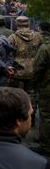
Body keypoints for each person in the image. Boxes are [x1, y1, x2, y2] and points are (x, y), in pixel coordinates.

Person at [8, 16, 43, 122]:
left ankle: (17, 117)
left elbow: (9, 54)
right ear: (29, 24)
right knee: (31, 94)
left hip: (17, 69)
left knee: (16, 94)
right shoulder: (38, 36)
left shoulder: (12, 37)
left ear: (17, 24)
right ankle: (30, 117)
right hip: (33, 68)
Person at [33, 22, 50, 156]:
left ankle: (45, 145)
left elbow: (38, 68)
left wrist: (35, 83)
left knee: (46, 114)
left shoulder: (45, 47)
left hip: (46, 85)